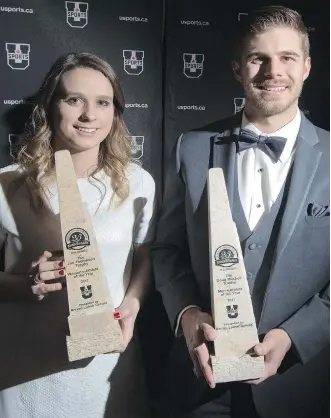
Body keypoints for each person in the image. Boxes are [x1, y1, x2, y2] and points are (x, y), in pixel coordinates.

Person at [152, 6, 329, 418]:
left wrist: (294, 338)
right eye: (258, 58)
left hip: (303, 387)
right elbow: (166, 249)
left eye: (287, 58)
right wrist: (187, 314)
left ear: (307, 67)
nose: (273, 71)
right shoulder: (191, 147)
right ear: (237, 68)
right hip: (202, 386)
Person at [0, 52, 156, 418]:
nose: (90, 115)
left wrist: (130, 308)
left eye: (103, 102)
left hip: (105, 371)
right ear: (51, 107)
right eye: (74, 100)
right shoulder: (8, 183)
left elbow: (144, 257)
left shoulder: (139, 183)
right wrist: (27, 284)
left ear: (115, 112)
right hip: (27, 370)